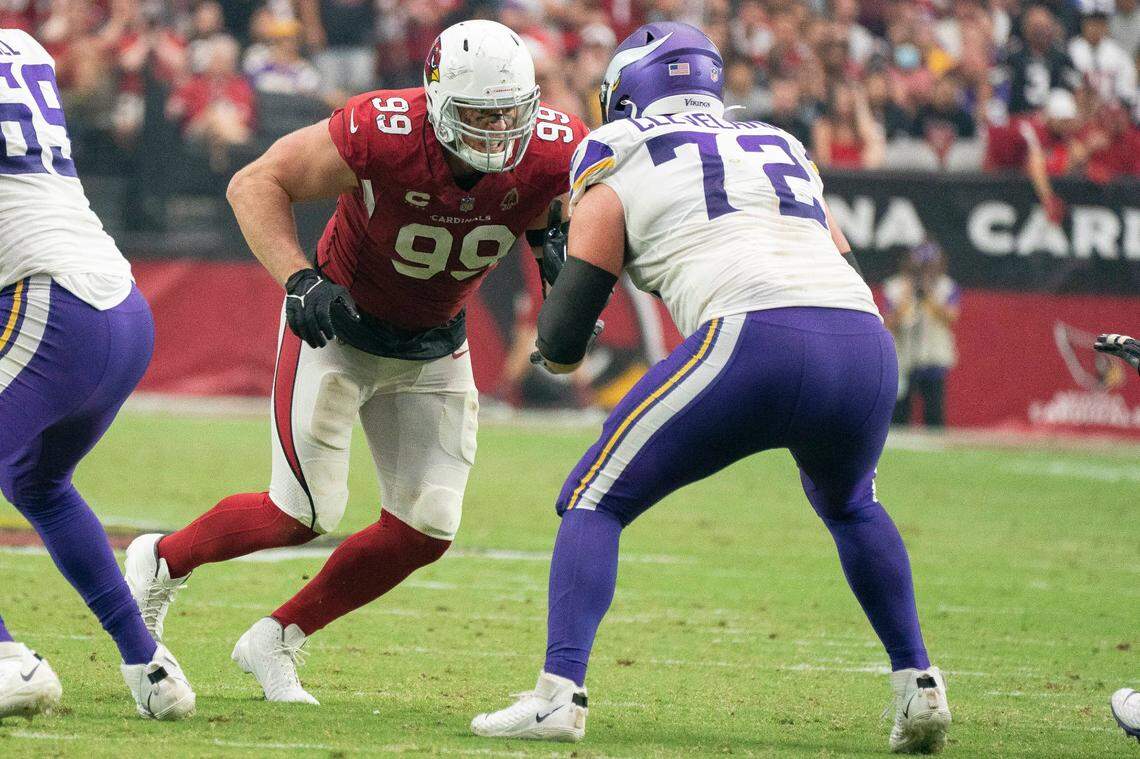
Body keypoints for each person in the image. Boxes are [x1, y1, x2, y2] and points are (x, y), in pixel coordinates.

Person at [470, 22, 951, 753]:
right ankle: (918, 684)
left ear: (627, 88)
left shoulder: (613, 147)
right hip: (861, 338)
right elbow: (840, 259)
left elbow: (568, 326)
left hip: (753, 335)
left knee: (594, 497)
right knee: (853, 503)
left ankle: (557, 695)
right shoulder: (781, 143)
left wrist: (557, 354)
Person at [124, 19, 586, 705]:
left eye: (507, 115)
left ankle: (278, 637)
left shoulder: (555, 145)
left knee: (428, 524)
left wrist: (557, 240)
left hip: (435, 341)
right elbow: (255, 183)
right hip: (340, 332)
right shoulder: (385, 130)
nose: (494, 132)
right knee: (302, 510)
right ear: (436, 102)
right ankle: (161, 559)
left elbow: (559, 202)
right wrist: (299, 278)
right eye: (477, 115)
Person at [0, 28, 194, 721]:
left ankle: (7, 662)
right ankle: (150, 665)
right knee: (35, 480)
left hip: (53, 304)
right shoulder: (21, 47)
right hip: (119, 305)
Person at [884, 242, 960, 429]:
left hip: (933, 356)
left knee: (934, 412)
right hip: (904, 358)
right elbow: (888, 323)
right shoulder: (895, 286)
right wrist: (907, 298)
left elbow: (951, 317)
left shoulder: (947, 287)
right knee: (899, 413)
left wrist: (929, 295)